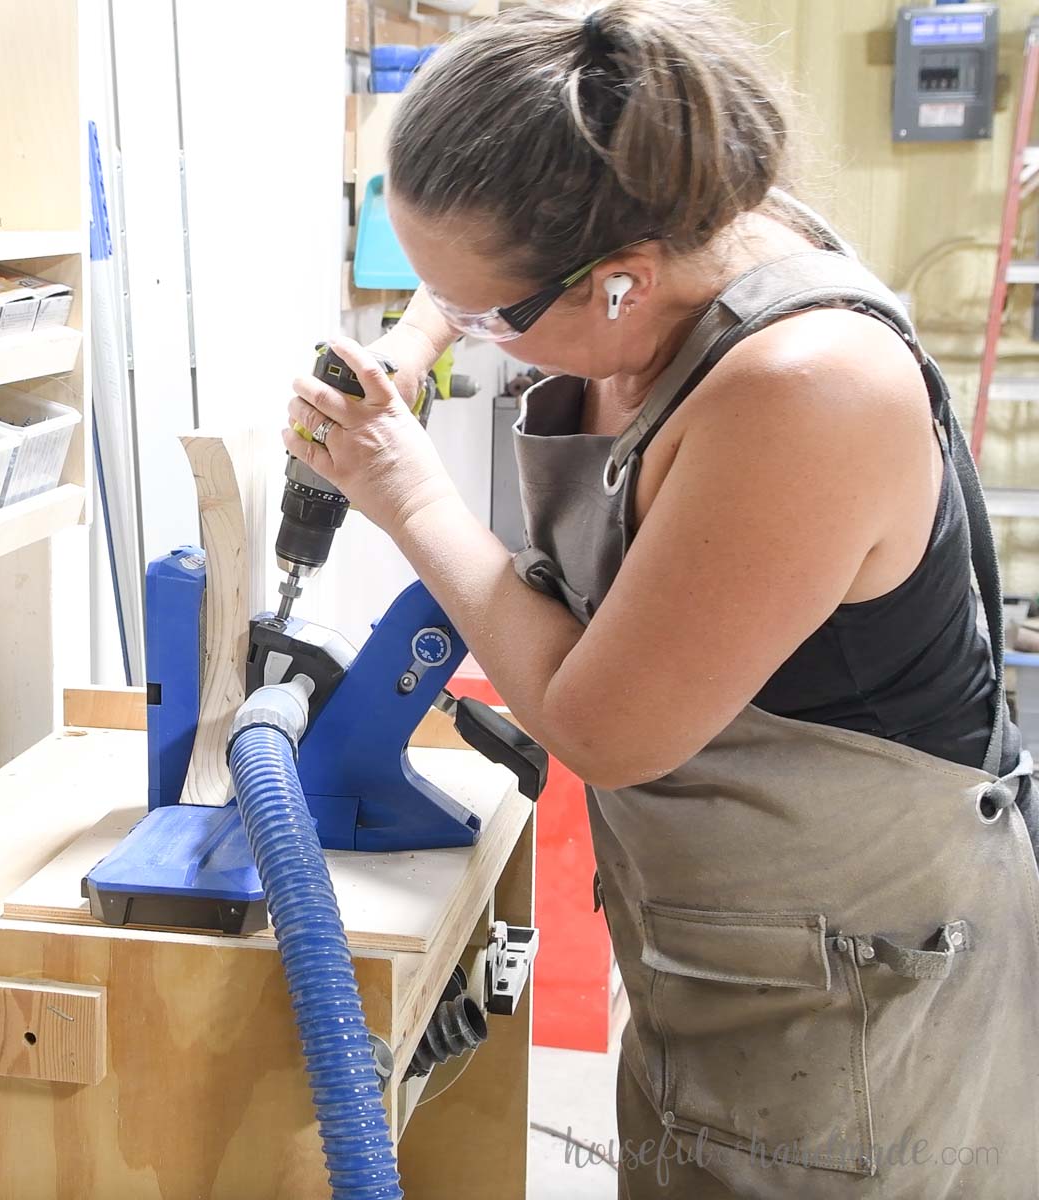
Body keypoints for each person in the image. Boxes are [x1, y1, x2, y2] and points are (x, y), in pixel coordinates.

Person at [285, 3, 1039, 1196]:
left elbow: (601, 728)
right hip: (725, 947)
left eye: (486, 316)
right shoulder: (661, 217)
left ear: (623, 283)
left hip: (861, 1000)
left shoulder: (807, 389)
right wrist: (419, 335)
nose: (469, 334)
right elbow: (495, 292)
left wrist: (407, 493)